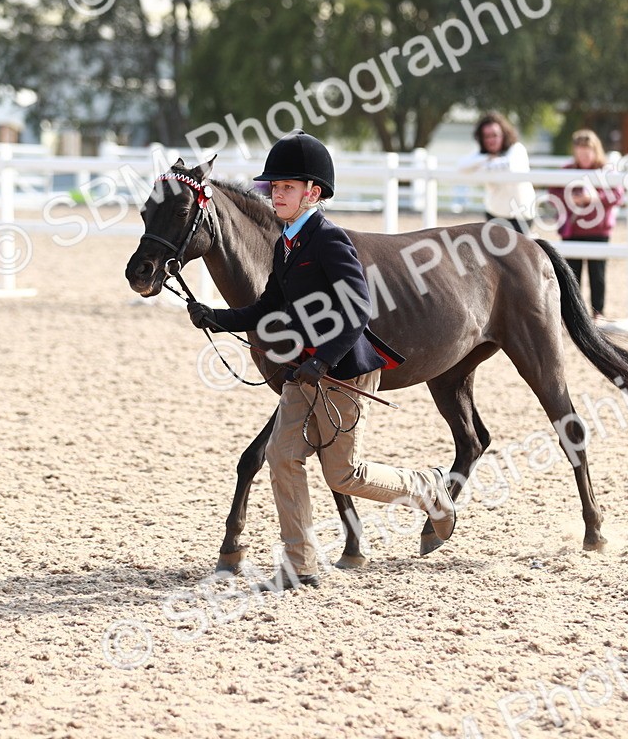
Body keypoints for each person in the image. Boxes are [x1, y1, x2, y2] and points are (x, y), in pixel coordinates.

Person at [185, 131, 456, 591]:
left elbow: (358, 308)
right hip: (300, 370)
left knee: (344, 474)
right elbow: (267, 306)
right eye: (273, 187)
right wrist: (217, 317)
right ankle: (302, 562)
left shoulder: (329, 241)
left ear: (314, 193)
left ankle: (428, 486)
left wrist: (324, 360)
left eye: (286, 187)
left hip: (344, 369)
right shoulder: (283, 245)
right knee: (281, 455)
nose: (276, 194)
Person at [549, 129, 623, 319]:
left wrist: (593, 198)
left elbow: (617, 195)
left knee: (597, 274)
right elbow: (553, 194)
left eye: (587, 151)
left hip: (598, 230)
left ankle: (598, 313)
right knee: (571, 274)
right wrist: (571, 199)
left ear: (595, 150)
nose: (584, 155)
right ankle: (575, 313)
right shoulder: (566, 171)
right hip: (573, 229)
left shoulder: (607, 171)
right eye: (580, 151)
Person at [458, 112, 536, 232]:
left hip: (520, 216)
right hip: (494, 213)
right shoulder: (482, 155)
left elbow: (510, 166)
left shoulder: (517, 149)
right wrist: (487, 158)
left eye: (494, 135)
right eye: (486, 136)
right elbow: (461, 166)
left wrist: (482, 167)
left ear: (503, 134)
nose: (491, 140)